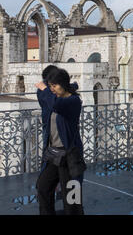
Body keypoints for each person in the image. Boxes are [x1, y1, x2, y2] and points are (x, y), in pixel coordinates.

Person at [35, 68, 84, 215]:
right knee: (43, 187)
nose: (52, 90)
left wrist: (45, 89)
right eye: (50, 86)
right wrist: (47, 88)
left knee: (71, 197)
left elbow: (56, 104)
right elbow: (43, 96)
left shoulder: (73, 101)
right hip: (53, 155)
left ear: (63, 84)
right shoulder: (53, 98)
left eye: (54, 86)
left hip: (69, 156)